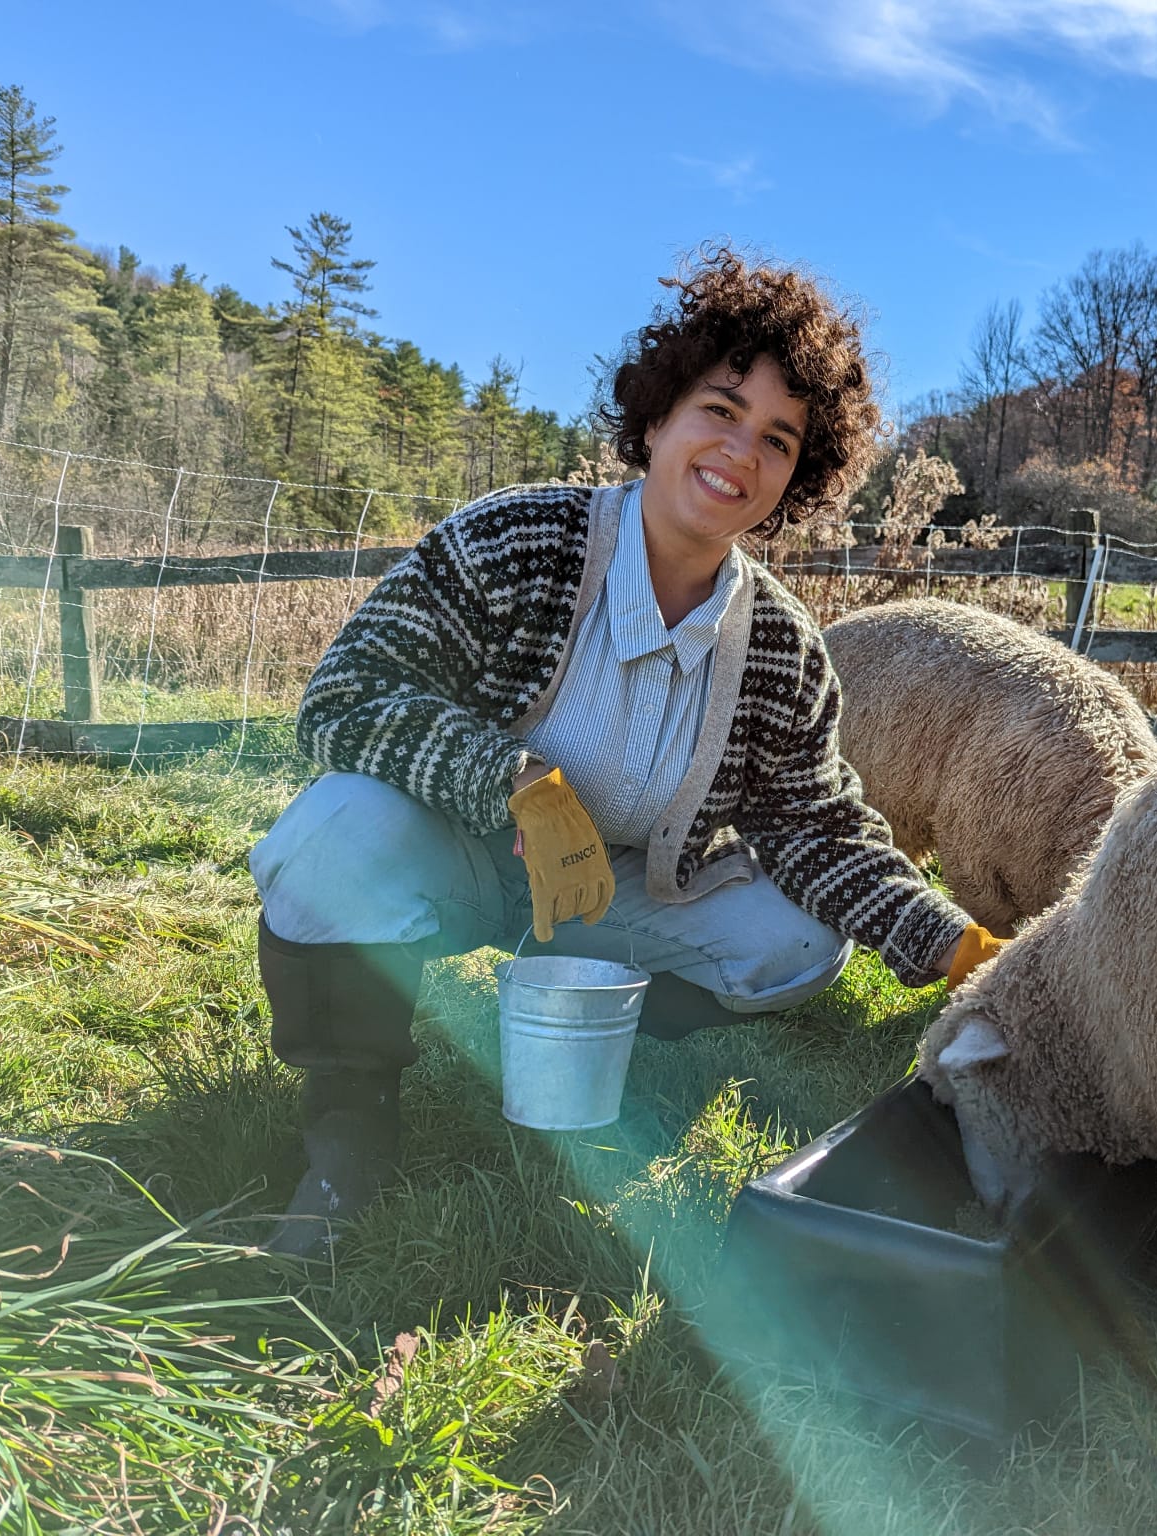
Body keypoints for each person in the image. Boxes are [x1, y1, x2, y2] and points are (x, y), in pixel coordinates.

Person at [249, 247, 1004, 1254]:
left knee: (796, 944)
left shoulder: (779, 650)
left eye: (778, 439)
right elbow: (346, 696)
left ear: (796, 477)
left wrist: (956, 946)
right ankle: (349, 1135)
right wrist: (512, 782)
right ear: (655, 419)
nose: (740, 452)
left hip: (615, 900)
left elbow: (819, 830)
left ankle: (595, 1029)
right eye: (720, 410)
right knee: (330, 840)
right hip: (462, 856)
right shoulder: (520, 541)